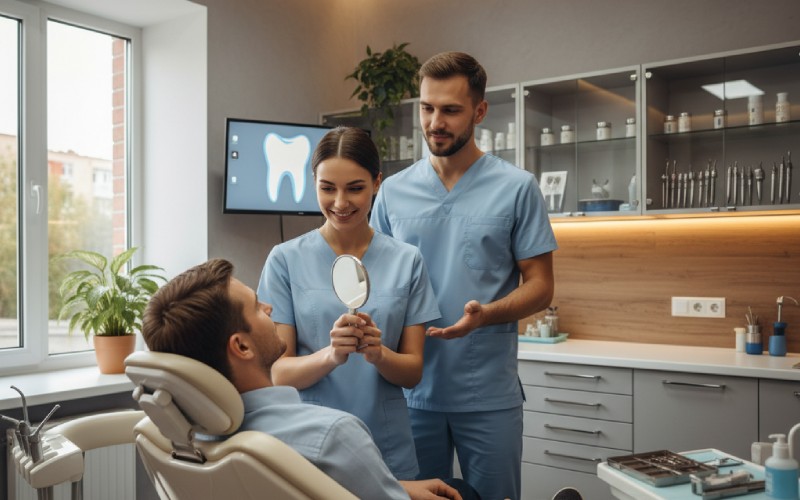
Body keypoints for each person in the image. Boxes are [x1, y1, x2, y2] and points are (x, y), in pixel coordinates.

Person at [371, 51, 558, 500]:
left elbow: (541, 286)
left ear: (479, 111)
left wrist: (487, 314)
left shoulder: (517, 188)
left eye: (451, 110)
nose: (436, 121)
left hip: (486, 393)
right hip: (411, 391)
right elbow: (373, 280)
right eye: (427, 107)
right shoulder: (393, 192)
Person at [142, 258, 478, 500]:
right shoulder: (332, 437)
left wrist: (395, 487)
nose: (270, 309)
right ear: (241, 346)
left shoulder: (188, 438)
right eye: (258, 307)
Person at [257, 126, 440, 480]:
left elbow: (414, 372)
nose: (340, 203)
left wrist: (378, 353)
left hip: (386, 444)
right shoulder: (284, 259)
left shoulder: (408, 260)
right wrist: (332, 355)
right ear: (314, 183)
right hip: (312, 442)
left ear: (377, 183)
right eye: (328, 188)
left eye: (355, 188)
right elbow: (278, 373)